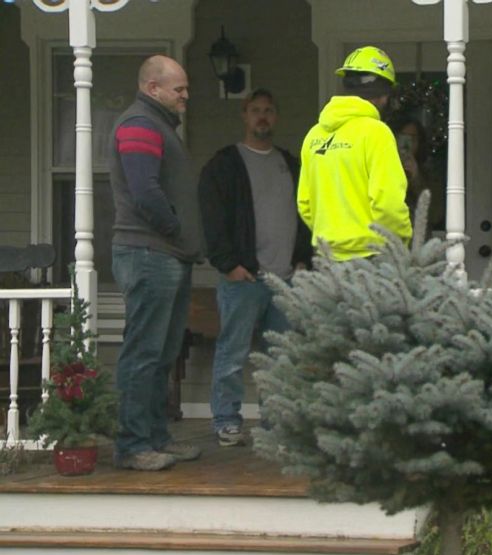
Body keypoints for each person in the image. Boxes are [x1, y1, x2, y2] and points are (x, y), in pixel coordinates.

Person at [198, 89, 313, 447]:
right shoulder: (225, 165)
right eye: (256, 111)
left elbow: (309, 214)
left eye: (269, 110)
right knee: (232, 353)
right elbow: (212, 220)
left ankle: (274, 422)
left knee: (279, 357)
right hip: (244, 279)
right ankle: (227, 420)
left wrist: (303, 258)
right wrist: (229, 264)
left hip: (286, 280)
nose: (262, 116)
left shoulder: (292, 165)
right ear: (244, 116)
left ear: (276, 117)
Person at [109, 55, 204, 471]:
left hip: (168, 255)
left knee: (162, 354)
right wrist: (179, 231)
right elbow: (145, 192)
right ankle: (132, 446)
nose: (185, 95)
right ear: (152, 88)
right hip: (149, 252)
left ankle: (156, 437)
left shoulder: (159, 125)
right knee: (144, 353)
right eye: (178, 89)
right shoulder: (139, 125)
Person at [298, 46, 412, 260]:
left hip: (327, 258)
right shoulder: (376, 132)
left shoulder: (314, 135)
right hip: (371, 259)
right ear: (384, 96)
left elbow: (305, 203)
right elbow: (387, 202)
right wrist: (401, 242)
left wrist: (332, 235)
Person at [388, 114, 444, 231]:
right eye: (402, 138)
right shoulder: (382, 166)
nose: (407, 145)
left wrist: (416, 178)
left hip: (418, 242)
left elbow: (436, 214)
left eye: (412, 139)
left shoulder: (429, 171)